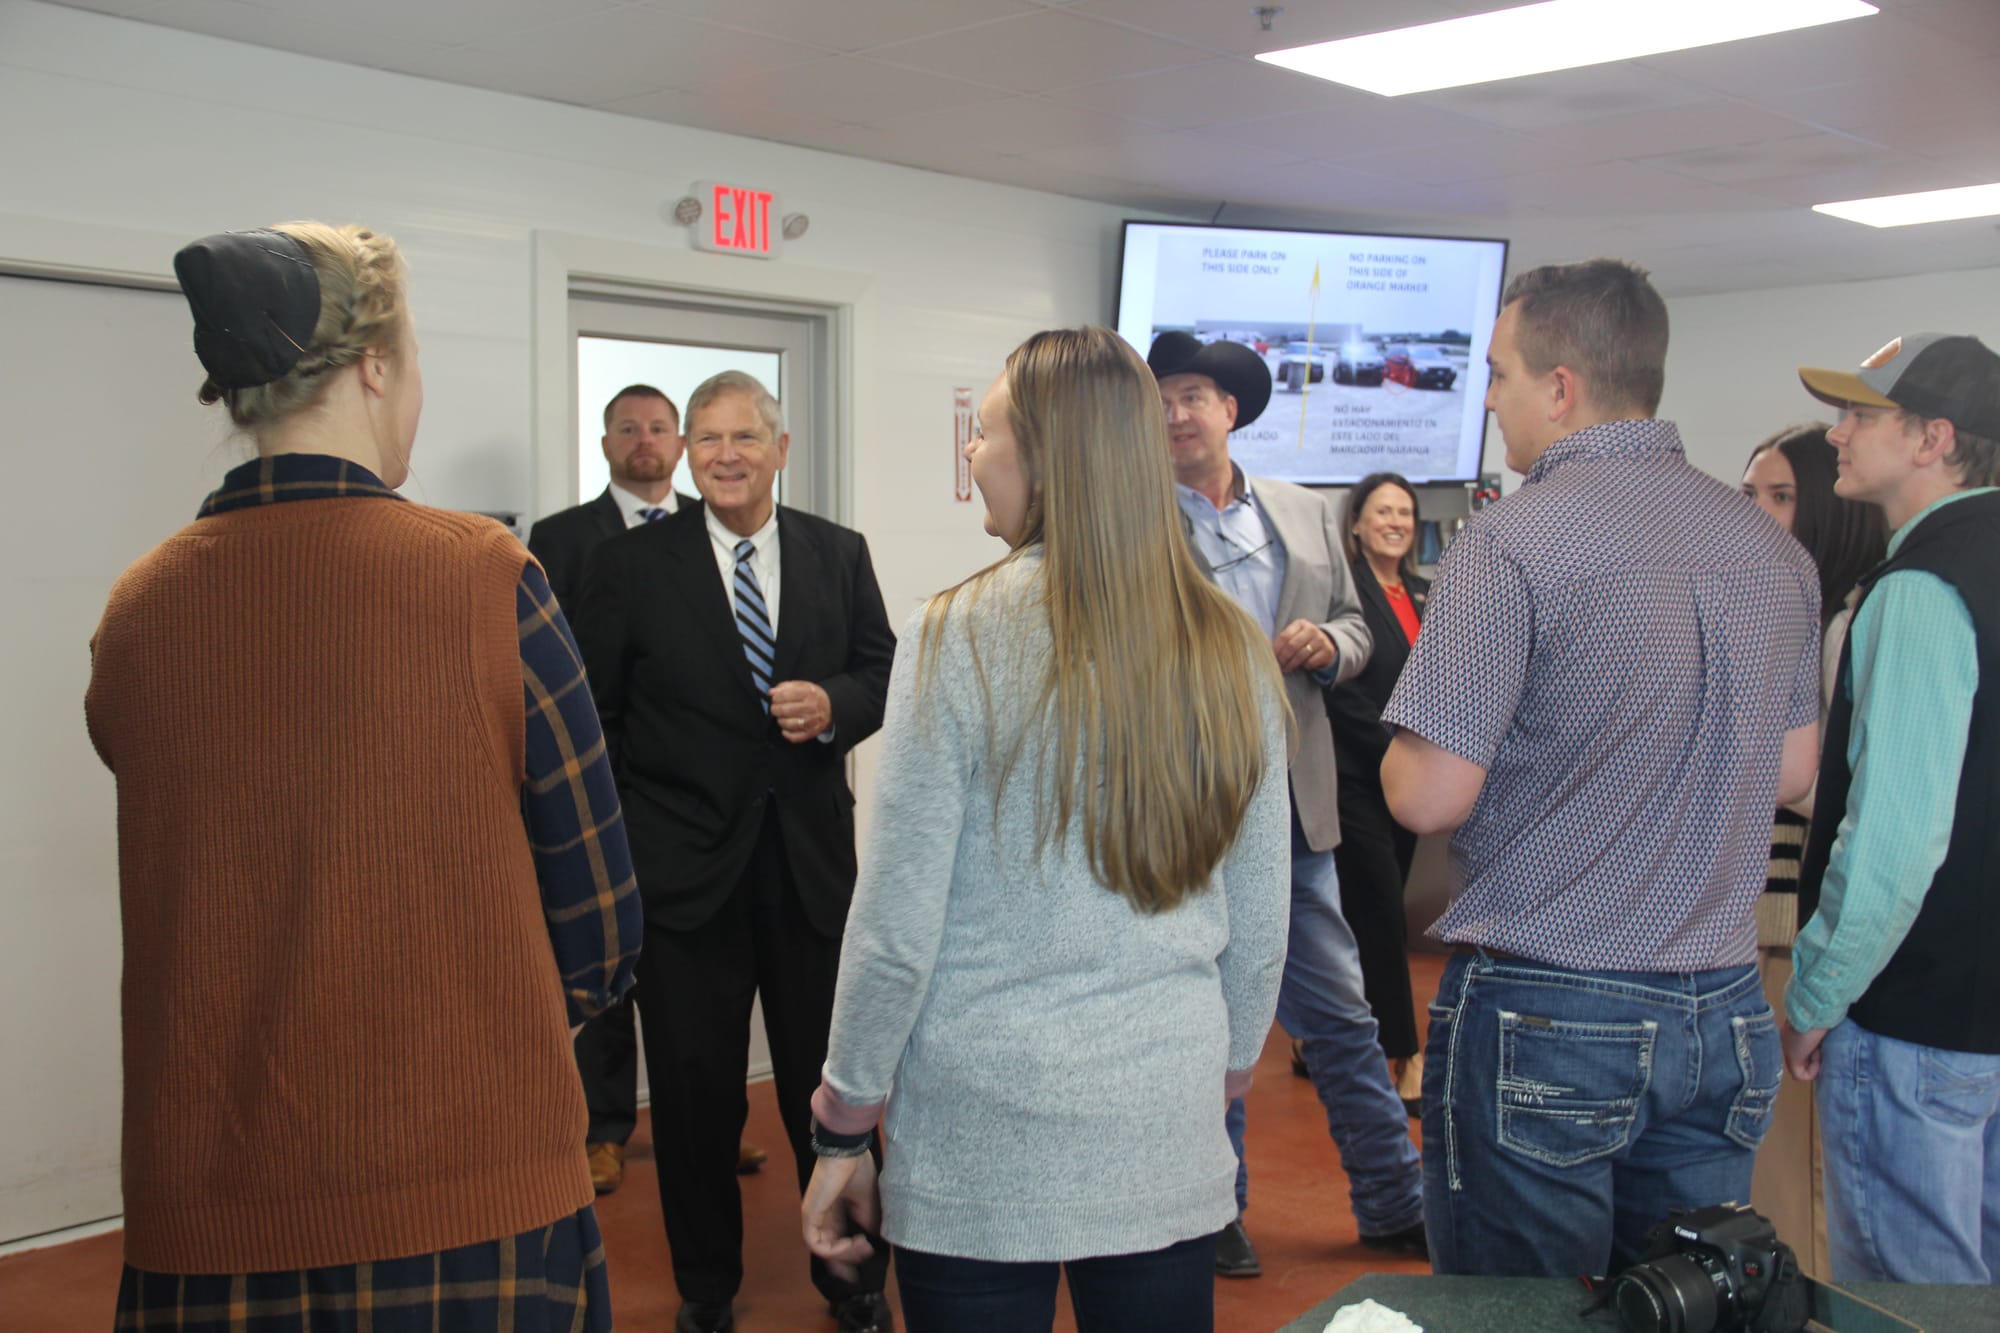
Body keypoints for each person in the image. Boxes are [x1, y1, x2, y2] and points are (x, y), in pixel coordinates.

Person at [85, 222, 640, 1329]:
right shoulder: (485, 578)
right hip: (471, 1201)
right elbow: (602, 925)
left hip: (210, 1214)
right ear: (375, 364)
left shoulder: (139, 611)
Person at [800, 325, 1292, 1333]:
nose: (971, 455)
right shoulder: (1226, 642)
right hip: (1164, 1113)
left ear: (1045, 454)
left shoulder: (954, 632)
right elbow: (1259, 912)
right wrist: (1221, 1072)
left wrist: (843, 1121)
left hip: (982, 1128)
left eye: (981, 433)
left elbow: (896, 918)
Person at [1379, 258, 1822, 1278]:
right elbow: (1791, 769)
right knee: (1675, 1303)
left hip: (1550, 1008)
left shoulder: (1509, 543)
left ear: (1560, 386)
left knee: (1524, 1311)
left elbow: (1428, 792)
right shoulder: (1769, 551)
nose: (1487, 401)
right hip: (1721, 1004)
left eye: (1497, 375)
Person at [571, 370, 897, 1333]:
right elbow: (600, 717)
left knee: (827, 1088)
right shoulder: (631, 565)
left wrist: (836, 704)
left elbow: (882, 669)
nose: (721, 454)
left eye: (743, 437)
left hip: (807, 872)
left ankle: (851, 1278)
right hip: (682, 882)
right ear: (683, 453)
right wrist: (637, 842)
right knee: (693, 1095)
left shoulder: (839, 554)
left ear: (780, 449)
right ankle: (706, 1286)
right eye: (704, 438)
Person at [1146, 330, 1426, 1275]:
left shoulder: (1306, 514)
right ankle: (1213, 1208)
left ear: (1232, 410)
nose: (1179, 413)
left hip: (1297, 810)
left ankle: (1394, 1197)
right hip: (1190, 814)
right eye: (1165, 398)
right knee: (1211, 1025)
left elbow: (1360, 629)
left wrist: (1327, 644)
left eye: (1196, 396)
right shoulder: (1132, 522)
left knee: (1342, 1015)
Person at [1781, 333, 2000, 1284]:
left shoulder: (1919, 589)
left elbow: (1897, 837)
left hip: (1915, 1019)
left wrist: (1818, 991)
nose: (1836, 436)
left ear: (1933, 440)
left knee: (1915, 1298)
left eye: (1860, 415)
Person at [527, 385, 765, 1193]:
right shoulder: (562, 539)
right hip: (609, 796)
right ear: (605, 443)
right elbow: (573, 681)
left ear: (680, 444)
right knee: (610, 969)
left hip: (707, 814)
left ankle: (708, 1127)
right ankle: (604, 1126)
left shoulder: (723, 526)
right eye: (628, 428)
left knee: (705, 989)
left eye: (660, 428)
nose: (645, 441)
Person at [1737, 423, 1886, 1272]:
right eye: (1750, 492)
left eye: (1782, 496)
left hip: (1796, 905)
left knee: (1799, 1156)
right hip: (1750, 897)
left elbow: (1820, 784)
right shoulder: (1777, 607)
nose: (1758, 511)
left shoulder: (1848, 620)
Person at [1325, 473, 1430, 1116]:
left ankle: (1321, 1038)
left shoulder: (1421, 591)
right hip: (1357, 776)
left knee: (1360, 919)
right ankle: (1407, 1053)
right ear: (1357, 523)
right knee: (1384, 917)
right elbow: (1343, 690)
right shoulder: (1347, 593)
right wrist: (1392, 751)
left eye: (1406, 512)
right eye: (1383, 511)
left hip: (1413, 782)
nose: (1396, 521)